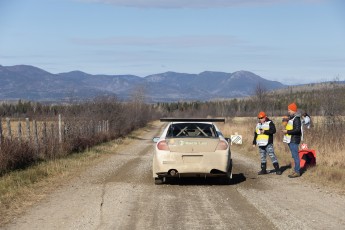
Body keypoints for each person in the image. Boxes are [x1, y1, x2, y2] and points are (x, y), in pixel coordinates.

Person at [282, 103, 302, 178]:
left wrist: (287, 132)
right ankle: (296, 170)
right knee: (294, 156)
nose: (288, 111)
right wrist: (285, 123)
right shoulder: (291, 118)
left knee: (296, 156)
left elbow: (297, 130)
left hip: (294, 140)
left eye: (289, 110)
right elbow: (290, 127)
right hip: (290, 139)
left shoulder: (296, 119)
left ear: (293, 110)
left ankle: (297, 172)